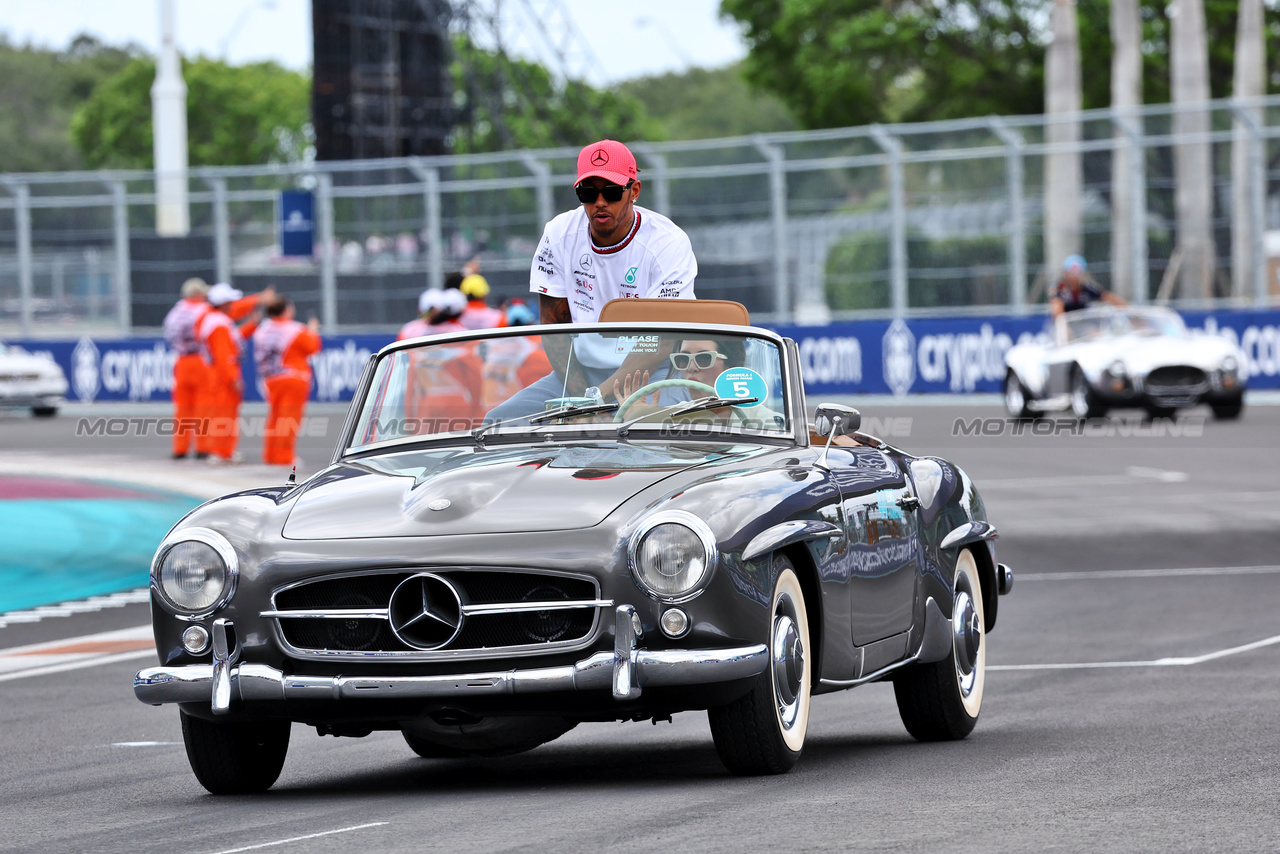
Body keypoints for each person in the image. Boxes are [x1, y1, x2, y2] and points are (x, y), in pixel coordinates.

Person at [486, 138, 698, 422]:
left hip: (651, 373)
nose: (599, 202)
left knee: (653, 436)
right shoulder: (559, 234)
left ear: (634, 190)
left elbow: (661, 342)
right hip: (579, 374)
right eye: (588, 192)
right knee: (498, 423)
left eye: (611, 191)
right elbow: (555, 329)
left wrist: (596, 400)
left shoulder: (668, 243)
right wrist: (582, 403)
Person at [197, 282, 265, 464]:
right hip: (222, 374)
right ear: (223, 303)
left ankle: (224, 451)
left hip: (218, 372)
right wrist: (233, 378)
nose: (233, 305)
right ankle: (220, 451)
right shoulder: (218, 323)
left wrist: (253, 324)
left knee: (225, 413)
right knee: (224, 413)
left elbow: (234, 339)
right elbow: (224, 355)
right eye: (230, 302)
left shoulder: (216, 320)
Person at [252, 296, 322, 466]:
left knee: (275, 416)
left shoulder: (261, 330)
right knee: (289, 417)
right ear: (287, 309)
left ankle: (270, 454)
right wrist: (313, 330)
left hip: (270, 378)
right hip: (293, 377)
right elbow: (313, 347)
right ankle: (284, 455)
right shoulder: (295, 329)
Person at [162, 277, 212, 459]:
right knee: (203, 407)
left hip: (181, 361)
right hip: (199, 360)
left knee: (182, 408)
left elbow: (168, 333)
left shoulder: (175, 311)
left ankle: (180, 448)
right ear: (198, 293)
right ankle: (202, 447)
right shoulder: (204, 310)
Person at [1049, 255, 1126, 317]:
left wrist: (1127, 310)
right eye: (1071, 272)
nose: (1075, 276)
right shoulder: (1060, 288)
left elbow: (1108, 297)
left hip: (1082, 324)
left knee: (1095, 332)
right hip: (1062, 325)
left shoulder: (1087, 287)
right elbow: (1056, 309)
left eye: (1078, 272)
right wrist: (1065, 329)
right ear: (1065, 273)